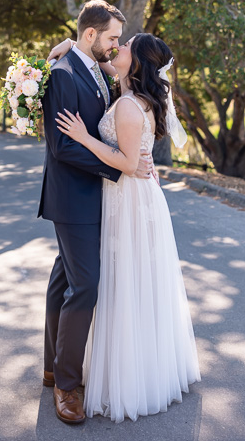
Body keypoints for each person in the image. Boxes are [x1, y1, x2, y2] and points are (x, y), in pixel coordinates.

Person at [55, 33, 201, 423]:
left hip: (130, 199)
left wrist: (84, 137)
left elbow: (124, 162)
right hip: (128, 194)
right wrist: (67, 46)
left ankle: (127, 374)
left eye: (126, 47)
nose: (117, 50)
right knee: (121, 279)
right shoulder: (123, 84)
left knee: (123, 283)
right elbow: (94, 59)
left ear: (136, 63)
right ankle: (70, 367)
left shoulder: (129, 106)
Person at [38, 0, 153, 425]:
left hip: (95, 195)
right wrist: (119, 166)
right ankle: (68, 387)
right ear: (91, 35)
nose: (116, 45)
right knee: (85, 286)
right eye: (111, 38)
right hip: (74, 197)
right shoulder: (65, 74)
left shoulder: (92, 67)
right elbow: (63, 146)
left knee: (64, 278)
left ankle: (53, 368)